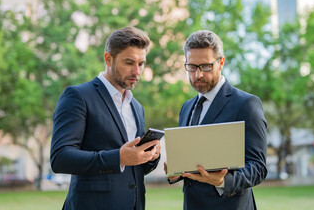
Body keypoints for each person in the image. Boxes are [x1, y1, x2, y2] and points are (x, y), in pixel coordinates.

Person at [50, 27, 161, 210]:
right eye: (129, 62)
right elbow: (60, 157)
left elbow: (133, 169)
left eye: (141, 64)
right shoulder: (78, 96)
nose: (136, 71)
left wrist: (150, 157)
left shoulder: (137, 107)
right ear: (108, 59)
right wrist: (118, 157)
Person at [164, 30, 267, 210]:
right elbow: (193, 160)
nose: (198, 75)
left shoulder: (246, 104)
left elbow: (258, 167)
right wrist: (176, 173)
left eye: (205, 66)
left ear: (221, 63)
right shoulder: (186, 108)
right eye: (192, 67)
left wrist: (223, 181)